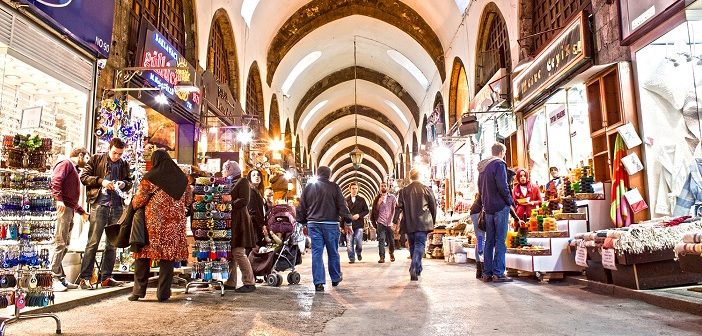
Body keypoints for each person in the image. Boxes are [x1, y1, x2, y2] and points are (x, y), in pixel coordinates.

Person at [129, 150, 192, 302]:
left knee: (143, 256)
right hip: (174, 225)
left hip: (152, 225)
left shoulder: (150, 177)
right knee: (167, 259)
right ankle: (163, 293)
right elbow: (188, 200)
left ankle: (138, 292)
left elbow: (138, 201)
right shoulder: (183, 178)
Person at [78, 137, 133, 289]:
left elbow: (129, 182)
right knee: (93, 242)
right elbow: (84, 177)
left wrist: (124, 184)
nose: (117, 156)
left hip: (116, 207)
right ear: (109, 148)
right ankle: (85, 278)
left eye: (120, 154)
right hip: (99, 205)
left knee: (112, 244)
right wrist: (101, 181)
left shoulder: (124, 164)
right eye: (115, 153)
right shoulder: (96, 159)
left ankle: (106, 277)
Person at [296, 166, 353, 292]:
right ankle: (335, 277)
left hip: (314, 224)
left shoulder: (309, 188)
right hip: (331, 224)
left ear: (317, 174)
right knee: (333, 251)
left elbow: (301, 207)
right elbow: (342, 205)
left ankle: (319, 282)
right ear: (329, 175)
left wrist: (303, 222)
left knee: (317, 252)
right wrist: (348, 221)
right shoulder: (334, 187)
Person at [50, 147, 90, 291]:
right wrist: (59, 199)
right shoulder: (66, 164)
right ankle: (52, 278)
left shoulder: (73, 168)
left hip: (69, 208)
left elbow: (71, 197)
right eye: (87, 158)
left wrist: (81, 211)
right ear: (80, 155)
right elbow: (55, 181)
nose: (87, 162)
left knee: (65, 243)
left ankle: (60, 277)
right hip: (64, 208)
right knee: (60, 242)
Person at [477, 142, 514, 283]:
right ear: (502, 152)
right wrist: (509, 200)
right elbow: (502, 185)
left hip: (488, 208)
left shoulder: (483, 167)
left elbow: (480, 188)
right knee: (500, 240)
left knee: (489, 241)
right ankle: (498, 273)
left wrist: (485, 203)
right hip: (499, 207)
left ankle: (487, 273)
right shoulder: (499, 164)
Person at [393, 168, 436, 281]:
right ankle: (414, 266)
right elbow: (433, 207)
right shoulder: (427, 189)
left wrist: (394, 221)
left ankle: (417, 269)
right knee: (420, 245)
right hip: (423, 223)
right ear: (420, 176)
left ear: (410, 177)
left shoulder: (403, 191)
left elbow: (398, 207)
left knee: (413, 246)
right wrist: (433, 221)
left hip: (409, 223)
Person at [222, 161, 256, 293]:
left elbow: (244, 200)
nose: (223, 171)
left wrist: (229, 201)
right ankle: (231, 282)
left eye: (225, 169)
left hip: (240, 221)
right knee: (231, 253)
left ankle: (249, 282)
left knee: (238, 252)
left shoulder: (242, 182)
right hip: (232, 221)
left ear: (230, 169)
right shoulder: (229, 182)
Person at [370, 182, 396, 263]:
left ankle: (391, 252)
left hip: (390, 222)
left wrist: (394, 222)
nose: (383, 187)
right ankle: (382, 257)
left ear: (387, 187)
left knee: (391, 241)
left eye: (385, 186)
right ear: (379, 188)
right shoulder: (376, 199)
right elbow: (374, 211)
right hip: (381, 222)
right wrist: (378, 203)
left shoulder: (392, 197)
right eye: (382, 186)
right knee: (381, 239)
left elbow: (395, 209)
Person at [345, 183, 369, 263]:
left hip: (359, 223)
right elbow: (343, 212)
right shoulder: (346, 200)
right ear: (350, 189)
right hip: (349, 224)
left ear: (358, 189)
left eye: (355, 188)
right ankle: (351, 258)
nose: (354, 190)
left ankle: (358, 252)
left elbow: (366, 210)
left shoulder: (361, 199)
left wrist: (359, 215)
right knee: (349, 242)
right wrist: (342, 226)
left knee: (359, 240)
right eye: (352, 188)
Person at [247, 169, 267, 247]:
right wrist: (262, 225)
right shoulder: (250, 191)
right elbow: (253, 210)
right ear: (249, 178)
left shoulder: (257, 191)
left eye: (258, 175)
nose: (256, 177)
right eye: (254, 175)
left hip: (256, 224)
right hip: (253, 225)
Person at [469, 193, 484, 279]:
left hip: (476, 212)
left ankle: (479, 269)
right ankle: (482, 268)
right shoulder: (487, 185)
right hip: (478, 213)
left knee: (480, 240)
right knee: (481, 239)